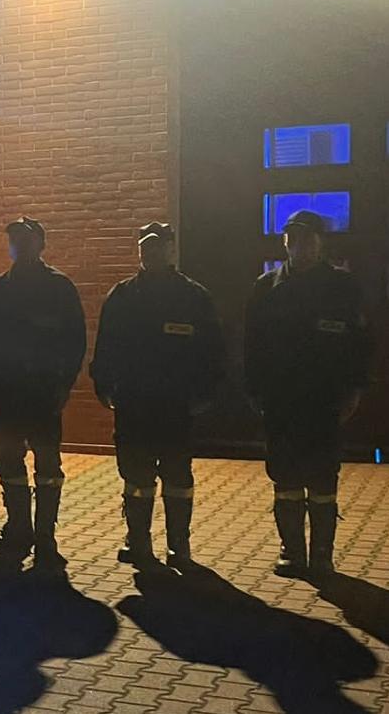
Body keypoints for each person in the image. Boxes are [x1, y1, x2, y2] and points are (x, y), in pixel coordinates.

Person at [245, 210, 373, 576]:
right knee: (285, 477)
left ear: (321, 243)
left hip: (324, 400)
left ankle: (321, 555)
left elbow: (361, 344)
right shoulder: (266, 288)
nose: (299, 246)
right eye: (293, 239)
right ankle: (292, 550)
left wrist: (355, 389)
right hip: (280, 400)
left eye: (307, 239)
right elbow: (251, 344)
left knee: (322, 478)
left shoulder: (343, 288)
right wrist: (253, 390)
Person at [91, 222, 225, 570]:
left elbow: (212, 350)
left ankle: (179, 545)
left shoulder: (193, 297)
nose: (151, 253)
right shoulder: (122, 296)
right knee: (136, 476)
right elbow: (105, 345)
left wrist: (207, 392)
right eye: (146, 247)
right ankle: (138, 540)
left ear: (171, 250)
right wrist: (103, 384)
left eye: (159, 246)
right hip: (134, 403)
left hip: (176, 404)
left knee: (177, 476)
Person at [0, 217, 85, 568]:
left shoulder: (59, 288)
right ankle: (19, 528)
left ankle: (45, 535)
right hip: (6, 393)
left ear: (41, 244)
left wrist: (63, 385)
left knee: (48, 465)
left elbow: (75, 342)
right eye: (14, 240)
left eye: (26, 240)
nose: (20, 246)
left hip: (43, 393)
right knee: (8, 462)